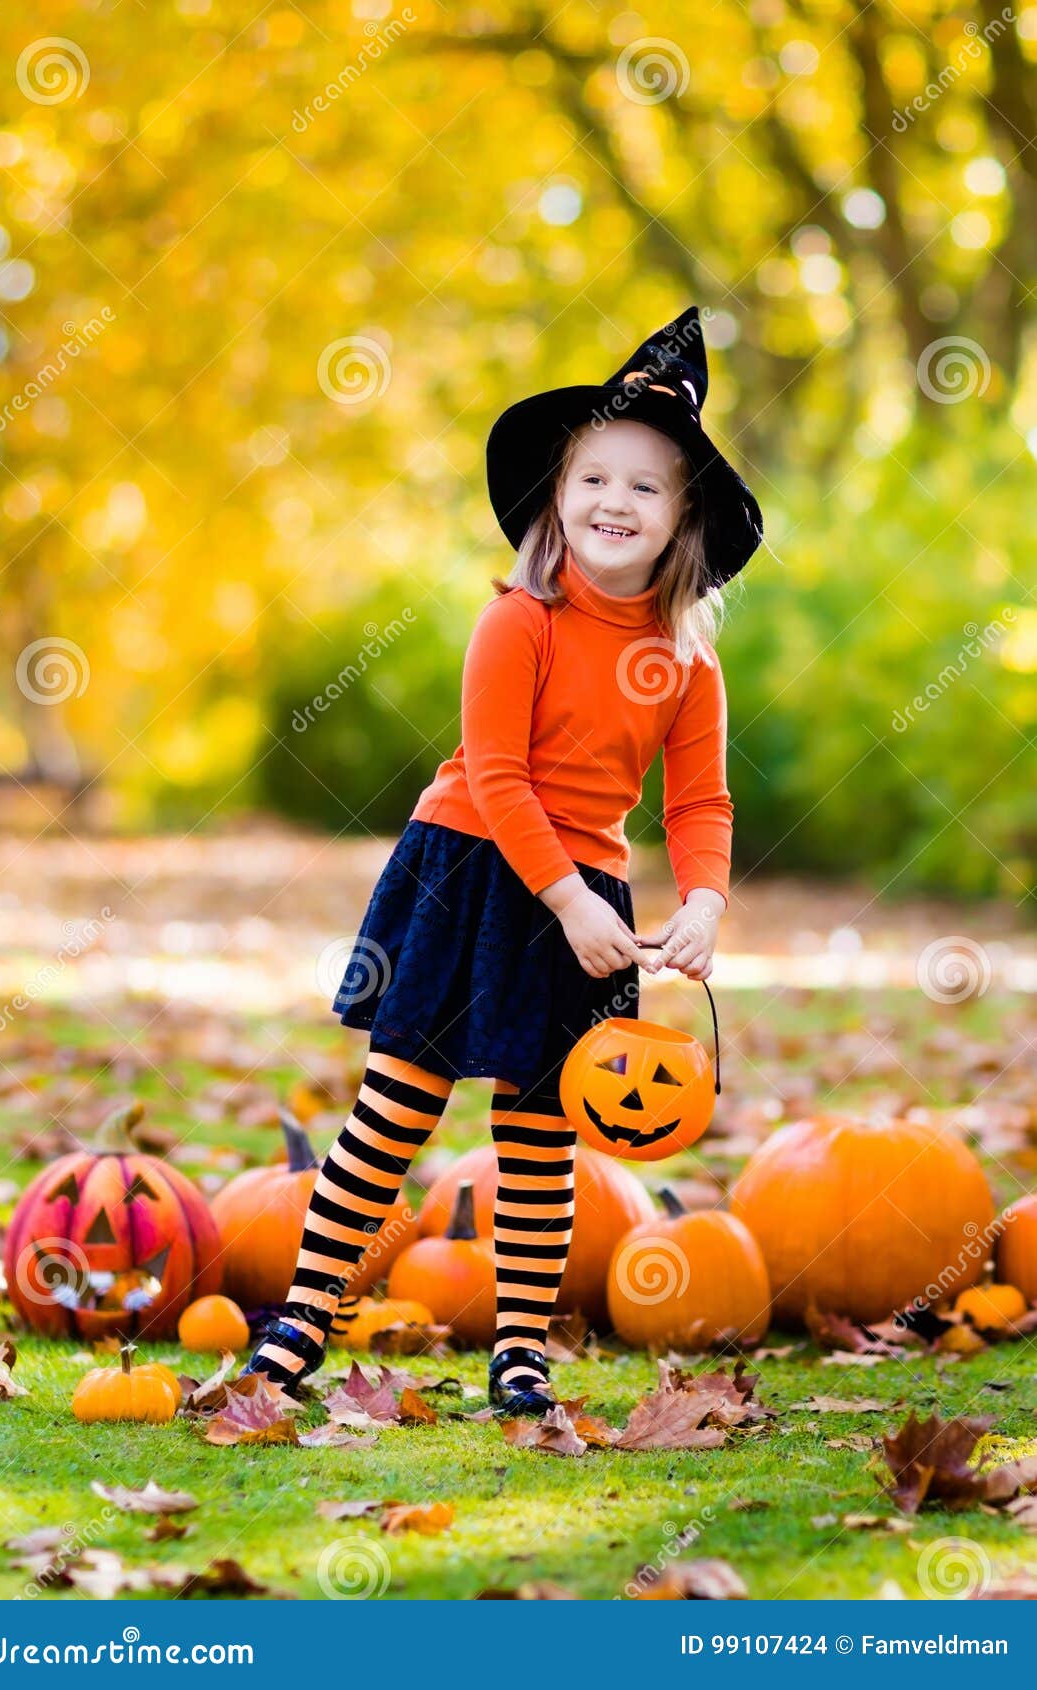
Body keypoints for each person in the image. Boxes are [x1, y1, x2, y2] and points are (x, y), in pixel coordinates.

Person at [241, 304, 764, 1415]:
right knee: (395, 1110)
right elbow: (497, 772)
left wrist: (705, 902)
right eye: (593, 479)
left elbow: (701, 800)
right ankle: (298, 1323)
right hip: (471, 868)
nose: (613, 502)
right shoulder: (517, 622)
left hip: (586, 899)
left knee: (540, 1130)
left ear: (681, 521)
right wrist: (564, 896)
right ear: (557, 496)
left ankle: (517, 1345)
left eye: (643, 486)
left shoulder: (683, 662)